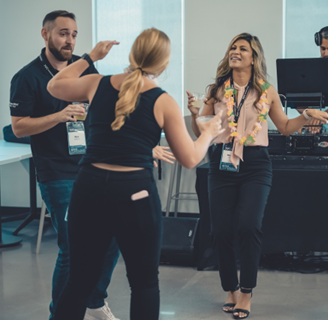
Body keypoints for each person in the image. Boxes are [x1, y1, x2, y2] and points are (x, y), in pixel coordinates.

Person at [46, 28, 223, 320]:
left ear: (131, 54)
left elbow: (55, 85)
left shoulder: (95, 83)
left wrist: (90, 57)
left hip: (88, 187)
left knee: (79, 281)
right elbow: (190, 158)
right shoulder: (163, 100)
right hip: (134, 194)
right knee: (143, 285)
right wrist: (210, 132)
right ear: (163, 65)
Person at [187, 33, 328, 319]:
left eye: (242, 48)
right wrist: (196, 115)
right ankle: (230, 287)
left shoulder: (267, 91)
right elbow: (201, 133)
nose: (235, 51)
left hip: (255, 165)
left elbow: (284, 127)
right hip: (221, 163)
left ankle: (246, 291)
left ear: (253, 57)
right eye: (232, 46)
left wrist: (307, 115)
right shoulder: (217, 89)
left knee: (249, 224)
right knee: (220, 230)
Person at [10, 10, 125, 320]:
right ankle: (60, 314)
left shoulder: (86, 72)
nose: (69, 40)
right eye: (62, 33)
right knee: (73, 247)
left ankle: (94, 298)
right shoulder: (27, 77)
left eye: (73, 34)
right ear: (45, 34)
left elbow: (103, 115)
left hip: (92, 167)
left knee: (114, 233)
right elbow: (20, 127)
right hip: (57, 173)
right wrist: (59, 116)